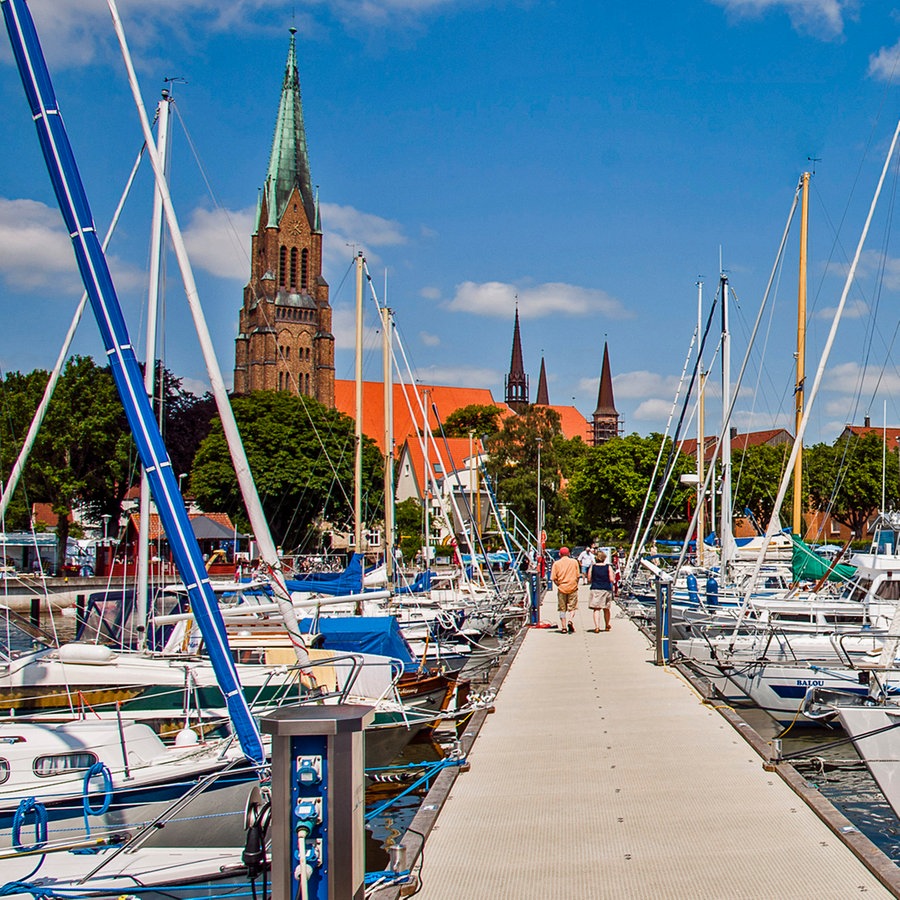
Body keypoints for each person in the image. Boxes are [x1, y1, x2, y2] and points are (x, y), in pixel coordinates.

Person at [551, 546, 581, 633]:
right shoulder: (574, 562)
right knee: (573, 607)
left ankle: (563, 627)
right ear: (569, 553)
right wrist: (575, 584)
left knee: (562, 608)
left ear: (559, 554)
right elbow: (578, 575)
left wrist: (559, 585)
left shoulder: (556, 564)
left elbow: (553, 578)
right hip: (572, 586)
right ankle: (570, 620)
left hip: (562, 587)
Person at [588, 550, 615, 632]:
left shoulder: (592, 567)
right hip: (606, 588)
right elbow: (611, 579)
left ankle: (597, 627)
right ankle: (607, 625)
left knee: (596, 609)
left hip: (596, 588)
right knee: (606, 608)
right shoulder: (608, 567)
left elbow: (589, 578)